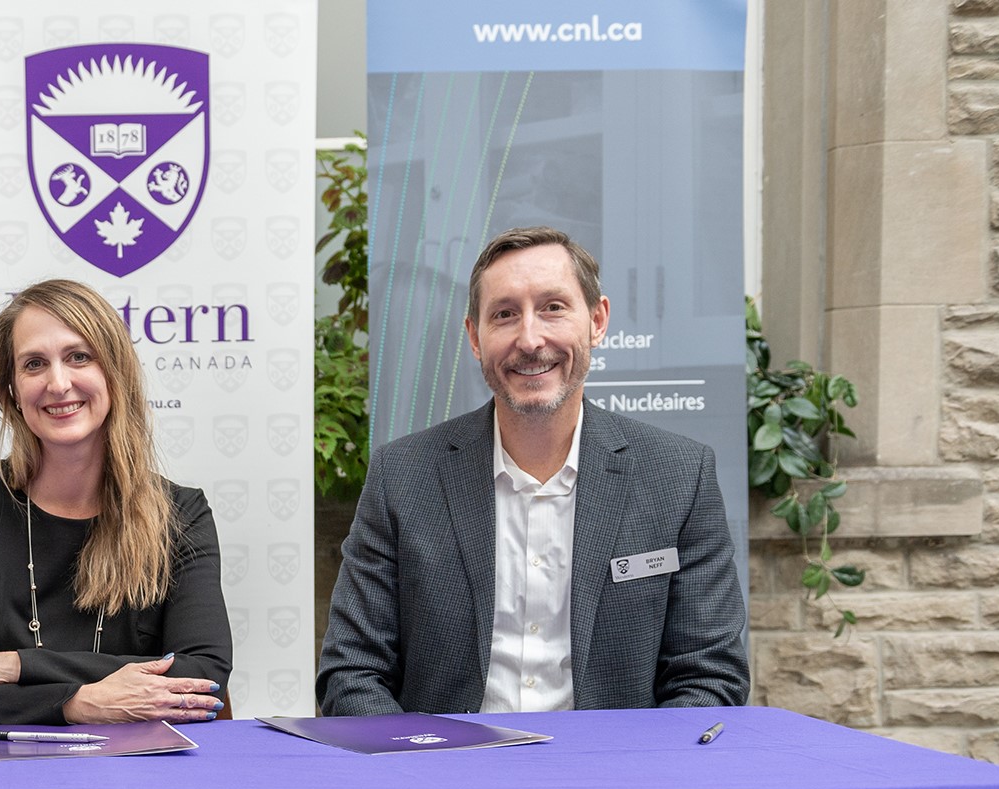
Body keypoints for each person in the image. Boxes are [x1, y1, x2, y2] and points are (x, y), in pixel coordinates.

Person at [318, 226, 748, 716]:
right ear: (475, 338)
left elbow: (709, 674)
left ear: (597, 320)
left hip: (613, 780)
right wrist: (420, 767)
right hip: (447, 774)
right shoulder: (403, 477)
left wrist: (636, 778)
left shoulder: (677, 477)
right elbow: (351, 672)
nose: (529, 338)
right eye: (504, 314)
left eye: (553, 307)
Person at [0, 278, 231, 726]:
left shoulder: (180, 513)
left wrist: (9, 666)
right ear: (11, 390)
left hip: (140, 779)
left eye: (79, 357)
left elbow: (201, 674)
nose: (58, 383)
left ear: (115, 372)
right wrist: (73, 705)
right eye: (34, 364)